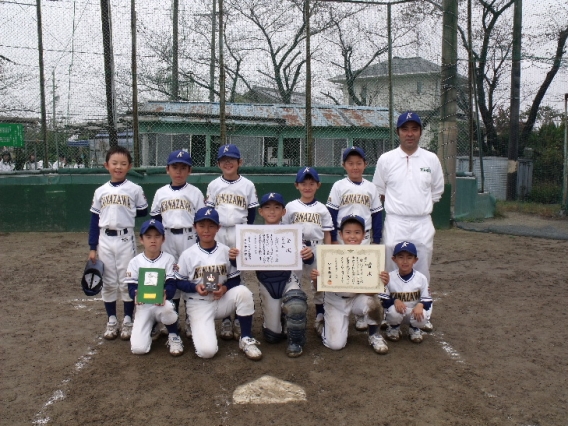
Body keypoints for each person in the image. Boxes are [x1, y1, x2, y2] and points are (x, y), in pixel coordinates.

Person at [372, 111, 444, 332]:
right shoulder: (386, 159)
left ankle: (420, 315)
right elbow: (379, 192)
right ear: (398, 132)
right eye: (405, 129)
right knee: (391, 267)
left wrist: (417, 208)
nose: (410, 134)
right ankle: (389, 312)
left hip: (422, 222)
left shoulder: (431, 158)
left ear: (420, 132)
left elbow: (436, 192)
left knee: (421, 268)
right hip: (395, 220)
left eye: (414, 129)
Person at [175, 207, 262, 361]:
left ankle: (246, 338)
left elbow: (235, 278)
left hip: (221, 300)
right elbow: (178, 281)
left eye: (211, 226)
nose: (206, 230)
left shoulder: (225, 251)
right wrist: (194, 287)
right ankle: (196, 326)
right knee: (207, 352)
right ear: (195, 227)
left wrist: (225, 288)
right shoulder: (187, 255)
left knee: (244, 292)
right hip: (198, 304)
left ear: (218, 228)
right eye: (202, 226)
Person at [88, 146, 148, 340]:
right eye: (114, 163)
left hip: (125, 238)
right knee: (108, 281)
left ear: (129, 166)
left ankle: (128, 319)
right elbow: (94, 220)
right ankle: (112, 319)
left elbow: (142, 211)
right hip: (104, 239)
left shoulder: (134, 189)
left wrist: (125, 211)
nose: (118, 167)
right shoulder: (100, 191)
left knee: (126, 280)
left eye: (123, 164)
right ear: (107, 165)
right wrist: (92, 247)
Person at [309, 215, 390, 354]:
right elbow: (317, 289)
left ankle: (374, 335)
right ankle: (324, 326)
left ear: (364, 235)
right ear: (340, 234)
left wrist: (381, 282)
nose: (352, 236)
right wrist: (316, 279)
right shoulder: (329, 254)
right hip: (334, 301)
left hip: (356, 299)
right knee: (335, 345)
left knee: (373, 303)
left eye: (357, 232)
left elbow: (371, 293)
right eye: (348, 232)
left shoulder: (370, 255)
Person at [248, 192, 314, 357]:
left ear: (284, 212)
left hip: (288, 279)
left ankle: (296, 341)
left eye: (277, 208)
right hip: (267, 282)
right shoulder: (251, 235)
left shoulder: (293, 233)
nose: (272, 211)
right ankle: (279, 319)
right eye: (267, 208)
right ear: (260, 212)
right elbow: (239, 262)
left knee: (296, 304)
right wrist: (235, 256)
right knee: (272, 336)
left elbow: (308, 260)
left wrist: (309, 254)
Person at [326, 146, 384, 331]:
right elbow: (331, 213)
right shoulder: (339, 186)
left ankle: (360, 315)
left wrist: (376, 240)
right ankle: (340, 308)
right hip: (342, 236)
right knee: (343, 273)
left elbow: (377, 215)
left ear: (365, 165)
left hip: (364, 237)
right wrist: (333, 238)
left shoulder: (371, 187)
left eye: (359, 163)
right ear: (344, 165)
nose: (355, 167)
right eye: (350, 163)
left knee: (362, 274)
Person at [205, 143, 258, 340]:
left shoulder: (248, 185)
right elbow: (209, 212)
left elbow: (251, 213)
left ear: (239, 162)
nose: (228, 163)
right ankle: (222, 317)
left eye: (232, 160)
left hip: (238, 231)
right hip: (218, 231)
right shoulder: (213, 185)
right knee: (214, 270)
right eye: (224, 160)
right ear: (219, 163)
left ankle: (237, 314)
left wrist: (245, 235)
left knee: (237, 272)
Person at [150, 149, 205, 339]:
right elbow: (155, 220)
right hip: (167, 237)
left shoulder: (195, 192)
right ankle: (169, 320)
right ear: (167, 169)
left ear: (189, 171)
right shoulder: (160, 193)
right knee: (169, 275)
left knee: (190, 276)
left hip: (189, 236)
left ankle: (191, 320)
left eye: (183, 168)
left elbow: (201, 219)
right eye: (175, 167)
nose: (179, 171)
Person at [282, 166, 333, 336]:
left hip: (317, 247)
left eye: (311, 183)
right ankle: (288, 314)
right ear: (296, 185)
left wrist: (327, 254)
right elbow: (284, 230)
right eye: (303, 183)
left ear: (318, 185)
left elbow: (327, 233)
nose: (307, 187)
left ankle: (320, 316)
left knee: (318, 284)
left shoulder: (322, 208)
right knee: (292, 282)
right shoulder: (290, 206)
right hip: (296, 247)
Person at [125, 219, 183, 356]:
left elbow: (171, 284)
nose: (153, 240)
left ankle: (174, 335)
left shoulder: (168, 259)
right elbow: (131, 287)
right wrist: (136, 294)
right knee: (139, 349)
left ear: (163, 239)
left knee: (168, 307)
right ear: (141, 240)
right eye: (148, 236)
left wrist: (165, 294)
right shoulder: (135, 262)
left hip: (161, 304)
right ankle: (152, 327)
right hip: (143, 306)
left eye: (157, 236)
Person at [379, 241, 432, 344]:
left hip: (413, 312)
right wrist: (394, 300)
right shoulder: (389, 277)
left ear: (415, 260)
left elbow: (427, 300)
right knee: (393, 312)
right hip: (396, 312)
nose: (405, 261)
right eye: (401, 257)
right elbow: (383, 299)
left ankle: (414, 328)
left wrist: (421, 304)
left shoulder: (421, 278)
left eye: (409, 257)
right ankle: (394, 327)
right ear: (394, 259)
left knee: (423, 315)